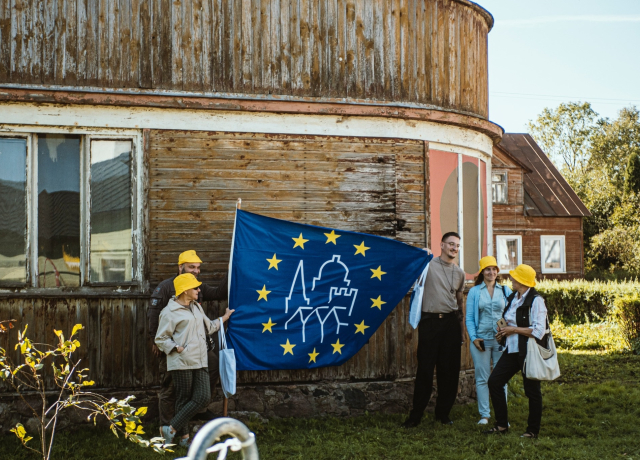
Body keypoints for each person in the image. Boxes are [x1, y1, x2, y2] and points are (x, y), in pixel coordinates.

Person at [148, 250, 228, 426]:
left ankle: (197, 410)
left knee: (213, 364)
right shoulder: (166, 287)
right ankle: (167, 426)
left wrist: (232, 269)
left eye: (198, 268)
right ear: (180, 267)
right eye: (191, 267)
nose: (195, 271)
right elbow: (154, 314)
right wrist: (155, 339)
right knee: (170, 387)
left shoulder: (197, 286)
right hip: (174, 347)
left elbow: (218, 293)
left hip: (197, 347)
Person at [155, 273, 234, 446]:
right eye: (195, 287)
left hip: (200, 359)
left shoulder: (196, 307)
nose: (199, 290)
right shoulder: (169, 312)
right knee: (183, 399)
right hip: (181, 362)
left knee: (203, 397)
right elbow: (161, 338)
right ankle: (184, 439)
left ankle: (171, 428)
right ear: (184, 291)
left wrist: (225, 317)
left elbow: (209, 327)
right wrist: (176, 348)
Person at [403, 232, 466, 428]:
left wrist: (461, 330)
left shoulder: (459, 273)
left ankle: (443, 414)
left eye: (457, 245)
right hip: (430, 322)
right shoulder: (428, 265)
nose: (454, 248)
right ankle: (415, 416)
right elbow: (408, 266)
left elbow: (459, 302)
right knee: (425, 370)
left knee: (449, 371)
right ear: (442, 245)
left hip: (451, 324)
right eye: (451, 244)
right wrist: (421, 254)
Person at [485, 264, 548, 438]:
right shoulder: (514, 297)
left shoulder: (536, 301)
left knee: (532, 391)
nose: (511, 279)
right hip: (511, 349)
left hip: (528, 351)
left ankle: (532, 431)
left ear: (521, 280)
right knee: (495, 382)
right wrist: (502, 332)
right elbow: (507, 320)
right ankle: (502, 425)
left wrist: (513, 330)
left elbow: (538, 331)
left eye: (514, 277)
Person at [465, 256, 512, 425]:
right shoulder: (475, 292)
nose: (491, 272)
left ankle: (502, 417)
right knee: (482, 377)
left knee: (501, 379)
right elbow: (469, 317)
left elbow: (509, 316)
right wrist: (474, 337)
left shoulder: (505, 291)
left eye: (494, 269)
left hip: (501, 341)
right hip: (481, 340)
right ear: (482, 272)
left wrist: (506, 331)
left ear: (497, 271)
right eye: (487, 269)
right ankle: (484, 415)